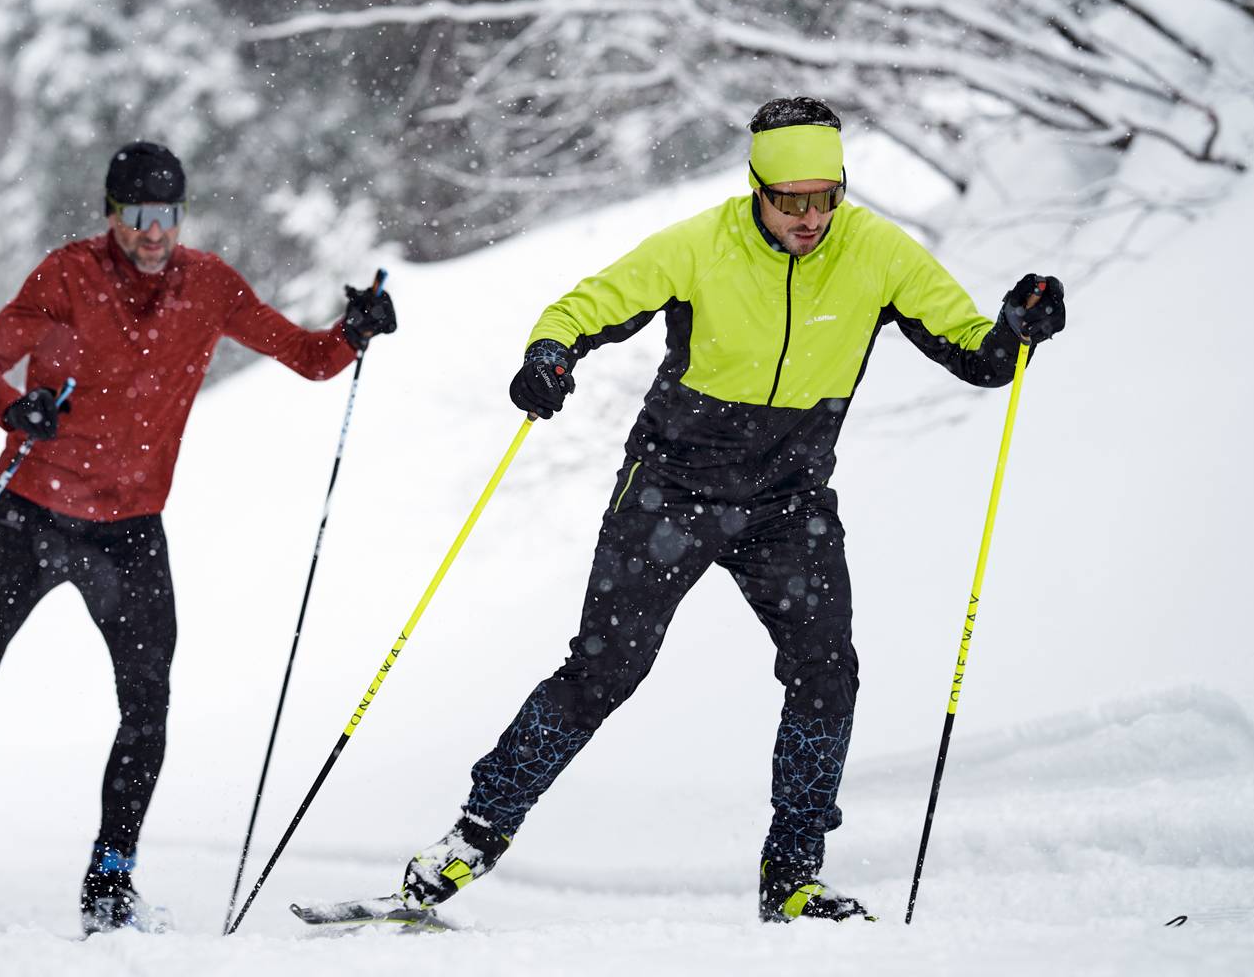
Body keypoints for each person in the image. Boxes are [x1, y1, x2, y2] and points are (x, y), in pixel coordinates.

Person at [376, 97, 1065, 924]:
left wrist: (1018, 329)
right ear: (755, 187)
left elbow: (980, 358)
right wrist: (550, 356)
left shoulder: (877, 252)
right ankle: (468, 843)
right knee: (604, 671)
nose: (811, 218)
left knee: (827, 673)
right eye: (790, 200)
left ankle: (795, 879)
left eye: (826, 198)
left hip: (789, 502)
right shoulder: (700, 245)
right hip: (673, 488)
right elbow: (583, 307)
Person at [0, 141, 398, 934]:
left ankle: (109, 883)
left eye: (167, 215)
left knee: (147, 708)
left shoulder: (209, 285)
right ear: (111, 214)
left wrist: (355, 330)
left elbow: (311, 360)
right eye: (139, 215)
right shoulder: (67, 275)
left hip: (129, 534)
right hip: (28, 520)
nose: (154, 232)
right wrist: (16, 410)